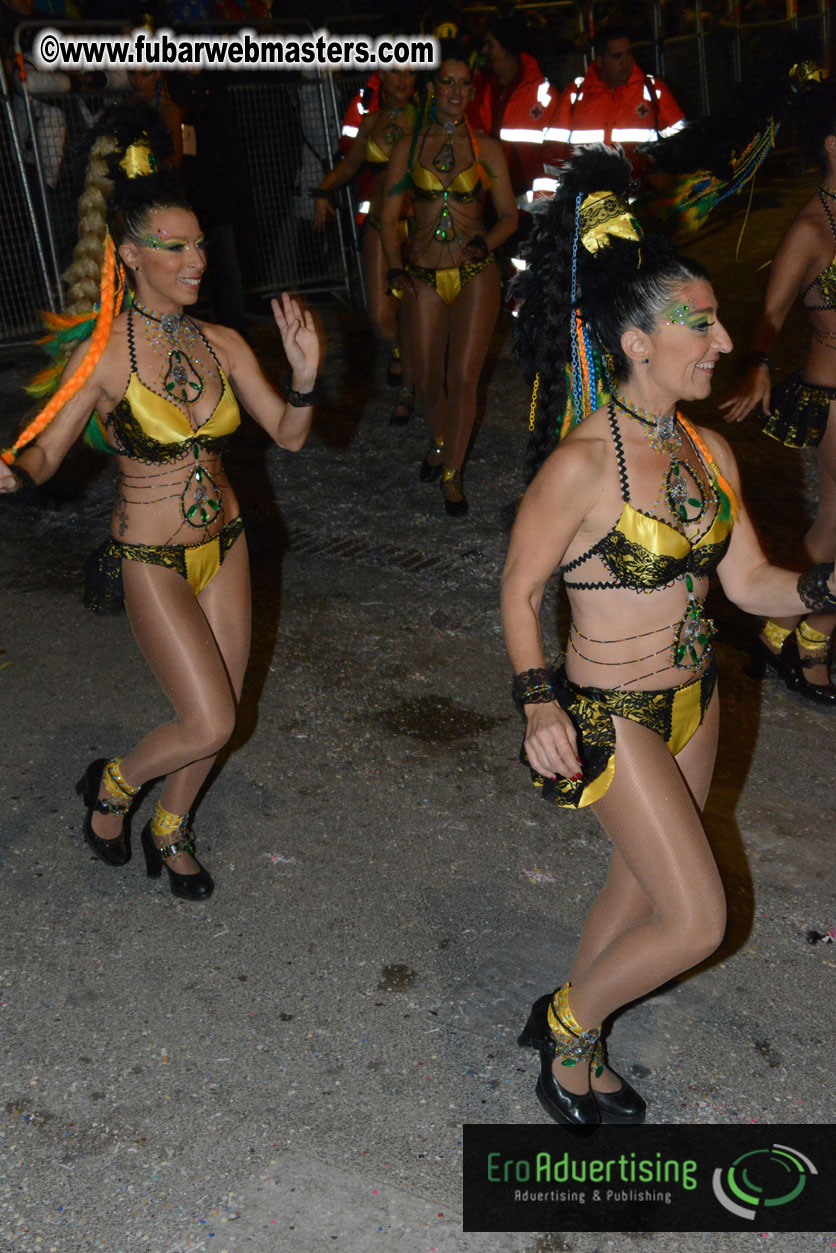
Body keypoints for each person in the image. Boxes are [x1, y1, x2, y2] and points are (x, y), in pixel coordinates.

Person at [500, 147, 836, 1126]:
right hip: (610, 712)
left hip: (698, 699)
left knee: (639, 881)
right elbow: (518, 590)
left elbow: (748, 582)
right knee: (696, 916)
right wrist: (533, 702)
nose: (722, 337)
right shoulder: (578, 463)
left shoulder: (708, 448)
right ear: (636, 341)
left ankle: (574, 1023)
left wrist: (823, 586)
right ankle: (565, 1027)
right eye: (698, 323)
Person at [0, 109, 320, 901]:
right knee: (207, 719)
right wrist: (13, 468)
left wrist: (308, 376)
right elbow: (49, 444)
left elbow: (288, 433)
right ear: (131, 254)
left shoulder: (223, 343)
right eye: (174, 247)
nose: (196, 260)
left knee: (227, 711)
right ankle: (112, 783)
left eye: (199, 244)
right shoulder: (104, 353)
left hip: (229, 541)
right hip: (150, 555)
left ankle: (170, 824)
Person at [720, 80, 836, 704]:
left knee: (830, 531)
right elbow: (770, 314)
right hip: (833, 396)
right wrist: (758, 364)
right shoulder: (812, 229)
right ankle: (811, 644)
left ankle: (777, 624)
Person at [382, 43, 518, 516]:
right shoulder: (408, 147)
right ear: (431, 88)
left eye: (465, 83)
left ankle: (452, 472)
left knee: (463, 378)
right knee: (424, 381)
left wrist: (488, 243)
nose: (456, 92)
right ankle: (442, 441)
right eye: (448, 82)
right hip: (421, 274)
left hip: (475, 274)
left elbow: (508, 217)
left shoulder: (489, 150)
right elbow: (385, 215)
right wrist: (395, 266)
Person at [313, 69, 418, 422]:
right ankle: (406, 354)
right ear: (381, 77)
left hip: (421, 223)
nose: (403, 79)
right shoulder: (371, 121)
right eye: (394, 72)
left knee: (420, 309)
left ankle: (412, 389)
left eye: (409, 71)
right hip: (379, 223)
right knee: (381, 317)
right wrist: (323, 191)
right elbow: (351, 163)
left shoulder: (428, 119)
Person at [544, 24, 685, 176]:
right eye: (617, 56)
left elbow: (681, 146)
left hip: (641, 195)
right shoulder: (574, 95)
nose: (625, 63)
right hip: (590, 197)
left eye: (629, 53)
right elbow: (554, 153)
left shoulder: (653, 90)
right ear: (599, 61)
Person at [467, 16, 555, 200]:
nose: (484, 51)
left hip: (528, 205)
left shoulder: (543, 95)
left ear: (508, 50)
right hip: (483, 201)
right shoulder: (476, 90)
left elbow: (555, 155)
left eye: (491, 45)